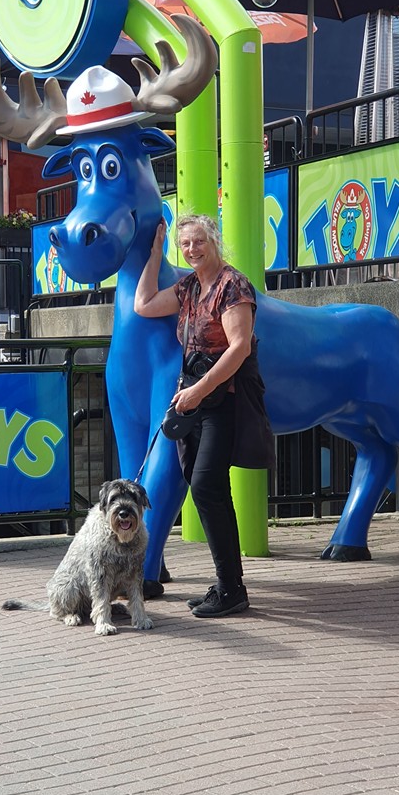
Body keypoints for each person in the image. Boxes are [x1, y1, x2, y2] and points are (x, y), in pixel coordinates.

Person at [134, 213, 274, 618]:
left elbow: (239, 346)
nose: (192, 249)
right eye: (185, 244)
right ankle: (229, 585)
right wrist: (156, 253)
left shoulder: (233, 285)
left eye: (198, 241)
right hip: (196, 402)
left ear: (214, 241)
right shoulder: (190, 287)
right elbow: (143, 305)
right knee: (208, 490)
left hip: (223, 400)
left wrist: (198, 390)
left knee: (207, 487)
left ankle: (231, 588)